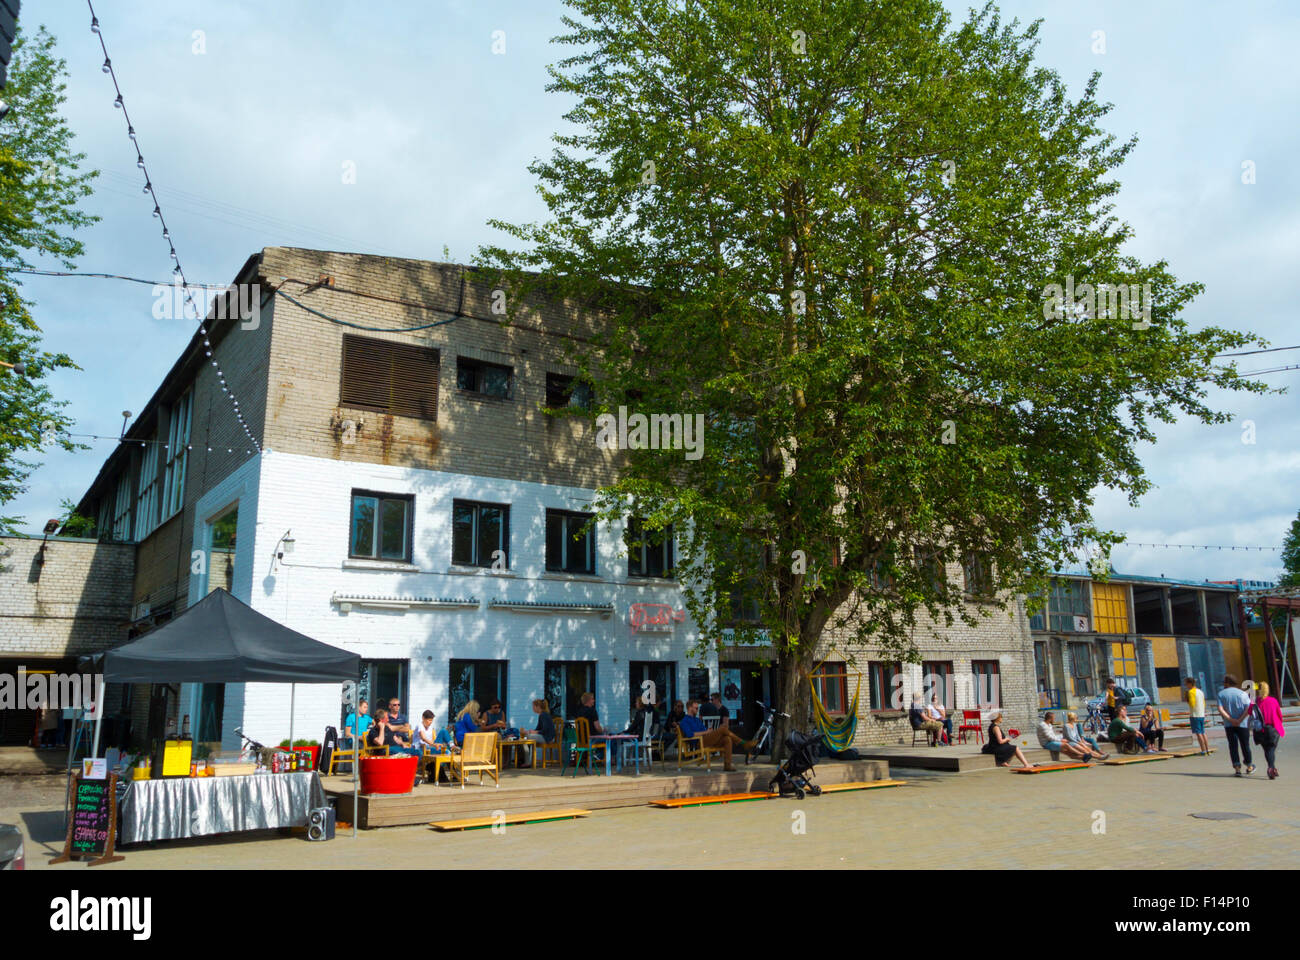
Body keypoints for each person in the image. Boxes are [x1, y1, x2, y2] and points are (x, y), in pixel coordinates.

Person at [678, 700, 755, 772]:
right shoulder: (684, 721)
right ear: (690, 708)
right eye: (696, 708)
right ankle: (744, 743)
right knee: (722, 729)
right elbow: (690, 734)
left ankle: (727, 765)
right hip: (699, 742)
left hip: (707, 739)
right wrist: (706, 732)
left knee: (727, 738)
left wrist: (709, 731)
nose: (697, 709)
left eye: (698, 708)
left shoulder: (697, 720)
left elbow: (705, 730)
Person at [1217, 674, 1254, 776]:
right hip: (1242, 724)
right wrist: (1240, 719)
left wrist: (1230, 719)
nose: (1223, 684)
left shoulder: (1221, 694)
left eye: (1224, 682)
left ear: (1227, 683)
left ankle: (1237, 768)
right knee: (1245, 745)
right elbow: (1248, 709)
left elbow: (1220, 709)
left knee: (1233, 746)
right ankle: (1249, 765)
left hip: (1229, 725)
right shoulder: (1243, 693)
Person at [1255, 681, 1286, 780]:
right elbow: (1279, 715)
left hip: (1261, 730)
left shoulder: (1256, 701)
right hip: (1273, 728)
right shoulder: (1273, 701)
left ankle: (1272, 767)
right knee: (1271, 749)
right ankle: (1271, 768)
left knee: (1267, 750)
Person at [523, 699, 557, 765]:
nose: (532, 708)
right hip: (545, 736)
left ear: (538, 707)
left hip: (548, 737)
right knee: (528, 736)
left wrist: (533, 733)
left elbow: (545, 730)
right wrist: (530, 731)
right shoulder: (541, 715)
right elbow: (538, 729)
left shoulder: (544, 715)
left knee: (528, 737)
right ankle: (529, 761)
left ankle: (528, 762)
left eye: (533, 706)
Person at [1184, 677, 1210, 755]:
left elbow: (1192, 704)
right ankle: (1207, 750)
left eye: (1186, 684)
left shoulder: (1191, 692)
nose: (1186, 685)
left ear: (1189, 683)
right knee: (1203, 732)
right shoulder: (1200, 691)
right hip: (1201, 714)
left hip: (1195, 715)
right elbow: (1204, 703)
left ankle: (1203, 750)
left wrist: (1187, 700)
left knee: (1198, 733)